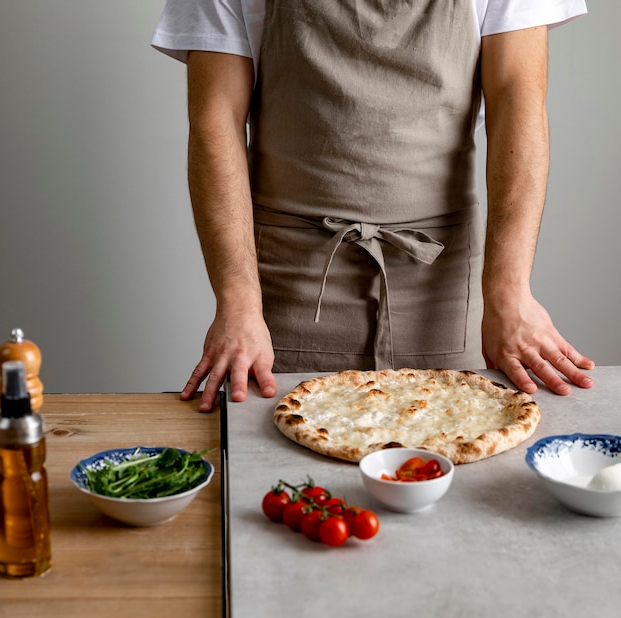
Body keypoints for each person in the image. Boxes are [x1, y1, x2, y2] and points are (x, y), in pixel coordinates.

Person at [152, 0, 595, 412]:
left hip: (440, 279)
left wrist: (508, 293)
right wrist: (238, 303)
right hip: (289, 282)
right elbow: (216, 122)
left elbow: (517, 104)